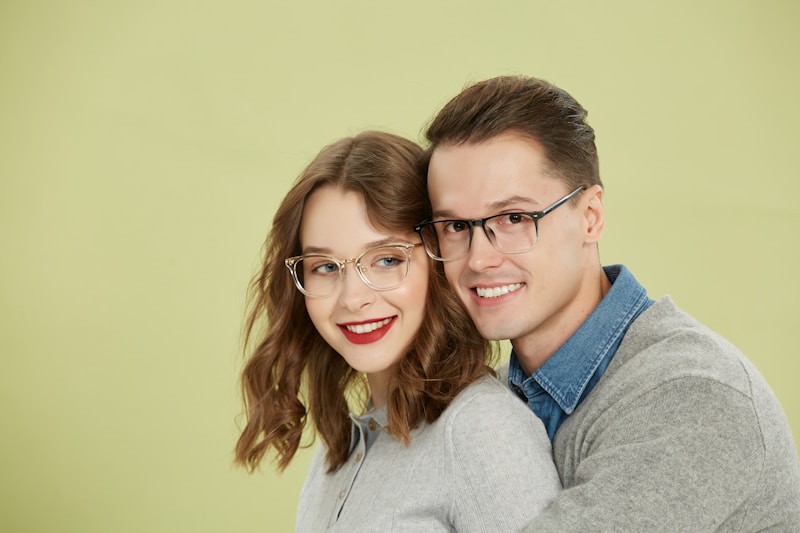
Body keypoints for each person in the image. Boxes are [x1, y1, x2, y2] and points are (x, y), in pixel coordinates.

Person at [414, 75, 800, 531]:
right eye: (455, 227)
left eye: (514, 217)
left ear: (591, 217)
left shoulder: (690, 396)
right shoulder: (497, 399)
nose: (478, 258)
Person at [235, 130, 560, 531]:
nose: (353, 298)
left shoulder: (482, 430)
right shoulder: (339, 450)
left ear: (438, 259)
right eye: (325, 267)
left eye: (387, 260)